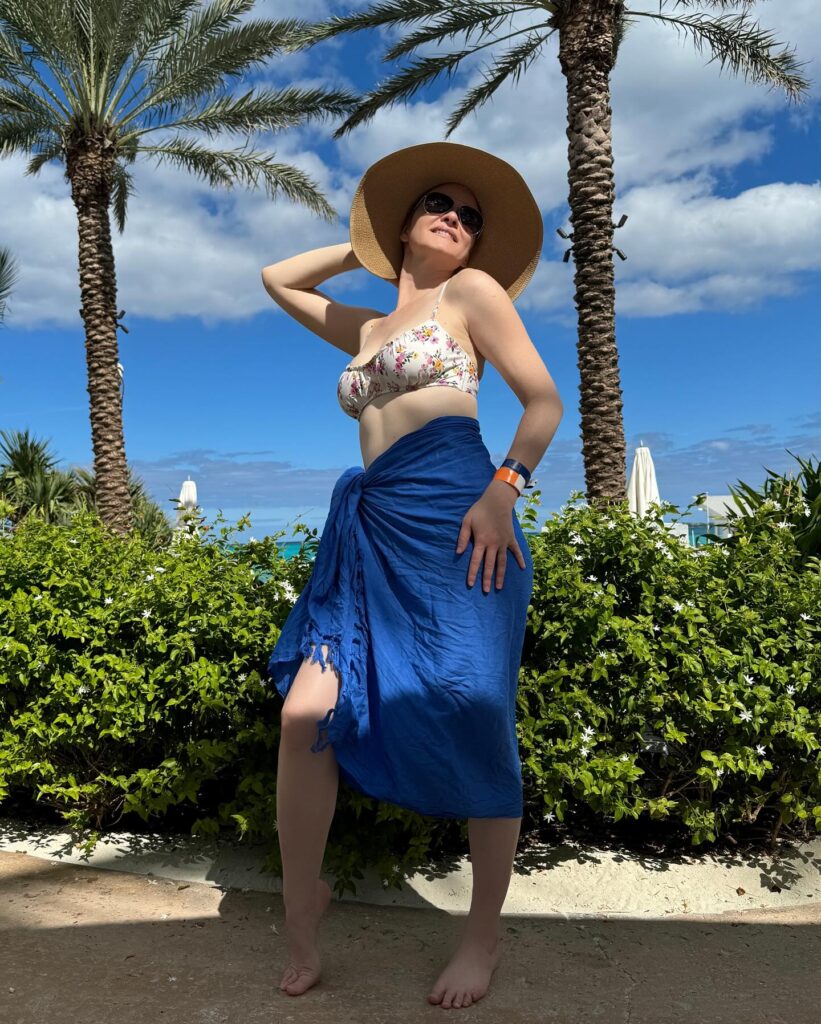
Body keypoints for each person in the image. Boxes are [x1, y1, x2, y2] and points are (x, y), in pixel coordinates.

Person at [260, 141, 563, 1009]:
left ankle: (483, 936)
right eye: (439, 203)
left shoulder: (471, 295)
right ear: (402, 221)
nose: (456, 220)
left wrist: (504, 492)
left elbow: (542, 400)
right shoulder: (364, 328)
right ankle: (301, 905)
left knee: (474, 712)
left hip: (463, 523)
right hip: (370, 529)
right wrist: (363, 245)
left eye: (471, 217)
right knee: (304, 712)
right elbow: (279, 279)